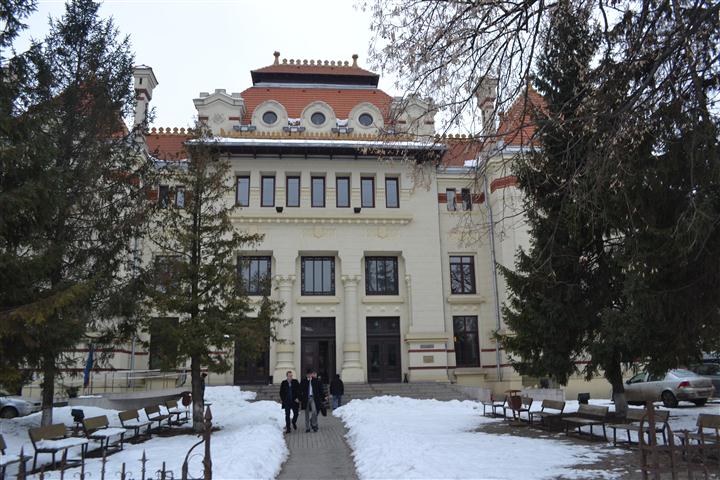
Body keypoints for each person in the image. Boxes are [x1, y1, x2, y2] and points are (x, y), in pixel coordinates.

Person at [299, 367, 323, 432]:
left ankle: (314, 424)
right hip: (306, 398)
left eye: (310, 374)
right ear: (306, 375)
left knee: (314, 411)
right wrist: (300, 398)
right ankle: (307, 427)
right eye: (308, 374)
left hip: (313, 398)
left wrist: (323, 397)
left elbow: (320, 390)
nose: (309, 375)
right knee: (306, 413)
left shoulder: (315, 381)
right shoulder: (303, 381)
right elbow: (300, 390)